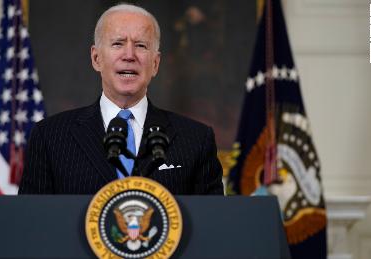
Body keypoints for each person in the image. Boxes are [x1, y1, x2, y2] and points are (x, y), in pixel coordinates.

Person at [18, 3, 224, 195]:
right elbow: (34, 223)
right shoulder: (50, 137)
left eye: (141, 45)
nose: (129, 55)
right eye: (118, 43)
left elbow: (212, 224)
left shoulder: (196, 140)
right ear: (96, 58)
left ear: (155, 63)